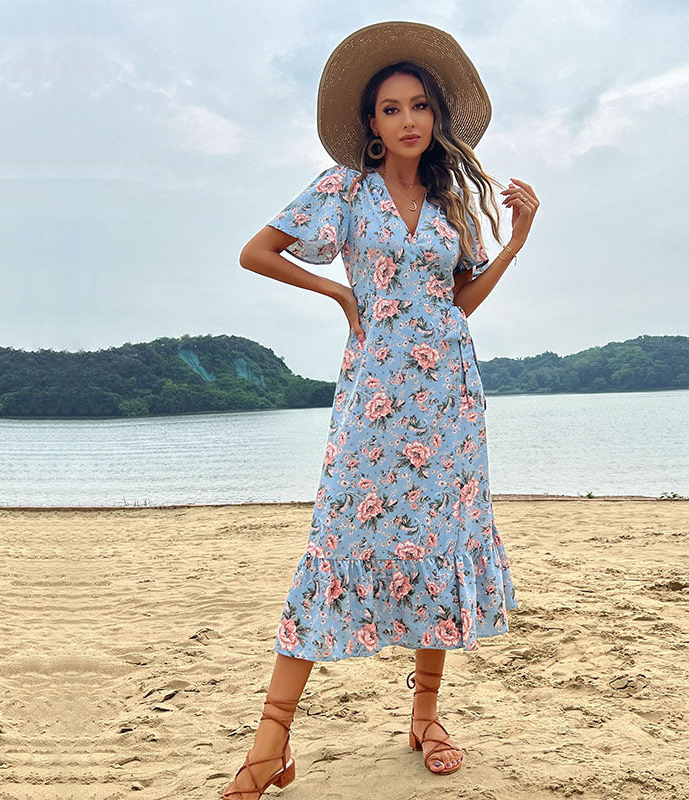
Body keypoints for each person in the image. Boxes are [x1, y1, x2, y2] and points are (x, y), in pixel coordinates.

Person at [226, 20, 539, 798]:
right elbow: (256, 251)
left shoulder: (451, 202)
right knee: (337, 536)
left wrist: (515, 241)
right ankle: (271, 743)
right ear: (371, 122)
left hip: (448, 397)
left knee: (436, 539)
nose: (407, 120)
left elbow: (460, 303)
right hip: (373, 392)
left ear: (435, 117)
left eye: (419, 106)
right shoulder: (344, 189)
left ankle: (426, 718)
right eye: (391, 108)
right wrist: (335, 287)